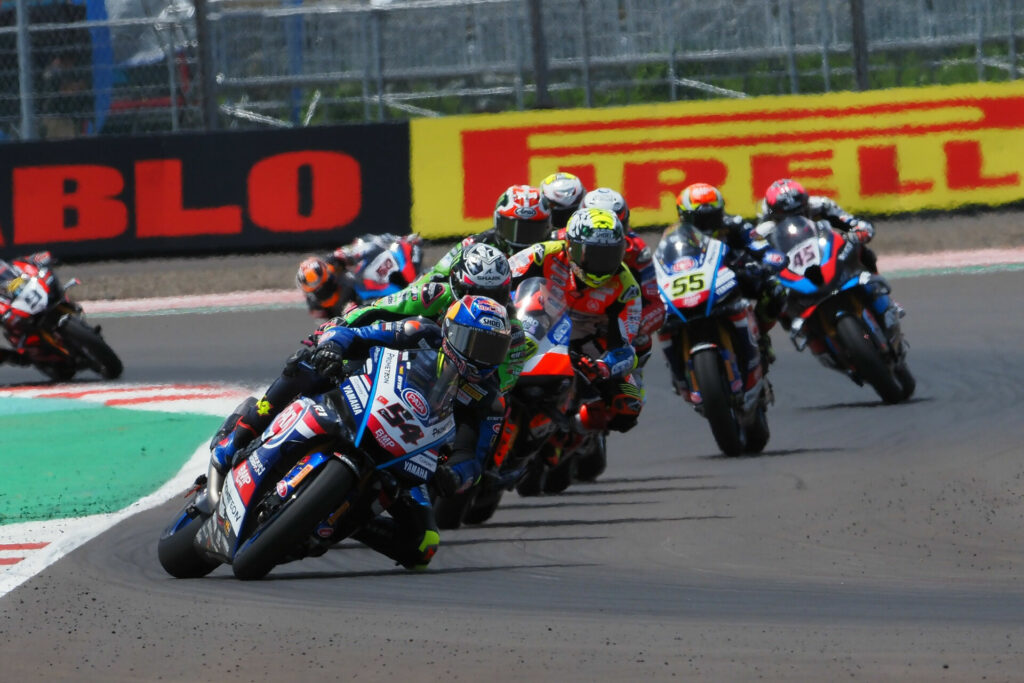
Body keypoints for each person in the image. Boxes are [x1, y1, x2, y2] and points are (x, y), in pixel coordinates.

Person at [208, 295, 512, 570]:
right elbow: (357, 335)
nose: (481, 356)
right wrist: (332, 347)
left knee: (424, 545)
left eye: (492, 349)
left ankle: (344, 520)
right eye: (476, 343)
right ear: (452, 333)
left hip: (407, 456)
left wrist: (454, 476)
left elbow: (472, 459)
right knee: (306, 363)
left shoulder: (488, 400)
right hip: (358, 401)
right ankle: (240, 433)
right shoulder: (420, 333)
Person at [509, 207, 643, 453]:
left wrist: (603, 366)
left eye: (609, 255)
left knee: (629, 404)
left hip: (587, 348)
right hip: (536, 327)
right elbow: (500, 277)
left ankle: (579, 431)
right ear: (570, 246)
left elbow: (625, 349)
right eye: (592, 255)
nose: (601, 265)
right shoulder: (542, 254)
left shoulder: (627, 288)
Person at [341, 242, 526, 395]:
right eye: (476, 292)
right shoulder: (434, 294)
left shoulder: (513, 331)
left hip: (459, 391)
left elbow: (503, 385)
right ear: (456, 284)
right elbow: (377, 308)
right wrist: (339, 325)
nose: (484, 302)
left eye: (496, 294)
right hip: (405, 369)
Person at [674, 182, 788, 366]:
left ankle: (761, 333)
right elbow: (663, 261)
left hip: (735, 276)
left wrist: (770, 258)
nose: (707, 225)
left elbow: (757, 244)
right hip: (695, 285)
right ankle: (678, 365)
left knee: (775, 289)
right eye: (700, 219)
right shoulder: (676, 236)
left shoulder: (734, 224)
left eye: (711, 217)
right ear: (684, 217)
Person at [576, 187, 664, 368]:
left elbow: (656, 304)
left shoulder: (637, 252)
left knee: (641, 342)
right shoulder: (562, 243)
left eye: (616, 226)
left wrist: (632, 325)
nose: (607, 237)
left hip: (612, 327)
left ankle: (632, 390)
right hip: (569, 320)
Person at [756, 178, 878, 274]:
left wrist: (856, 234)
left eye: (800, 212)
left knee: (863, 252)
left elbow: (857, 224)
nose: (795, 218)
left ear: (806, 205)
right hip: (789, 268)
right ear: (773, 214)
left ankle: (880, 298)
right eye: (786, 216)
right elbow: (751, 257)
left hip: (824, 254)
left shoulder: (820, 205)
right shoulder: (763, 229)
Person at [296, 233, 423, 318]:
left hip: (367, 289)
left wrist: (345, 255)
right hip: (364, 309)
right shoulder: (317, 305)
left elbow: (356, 249)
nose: (331, 274)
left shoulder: (334, 264)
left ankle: (409, 282)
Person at [0, 251, 57, 367]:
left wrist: (36, 260)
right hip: (11, 311)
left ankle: (63, 303)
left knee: (47, 279)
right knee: (14, 336)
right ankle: (18, 357)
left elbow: (21, 264)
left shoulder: (7, 268)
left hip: (22, 291)